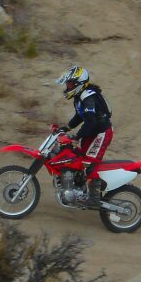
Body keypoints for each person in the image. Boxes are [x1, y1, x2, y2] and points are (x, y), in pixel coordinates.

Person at [55, 65, 113, 206]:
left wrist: (76, 137)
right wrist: (67, 127)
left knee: (90, 163)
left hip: (101, 133)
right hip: (92, 132)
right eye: (67, 84)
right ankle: (79, 187)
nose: (67, 86)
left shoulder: (88, 98)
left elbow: (91, 122)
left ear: (79, 84)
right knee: (78, 157)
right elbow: (81, 116)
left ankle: (94, 197)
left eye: (70, 83)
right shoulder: (79, 96)